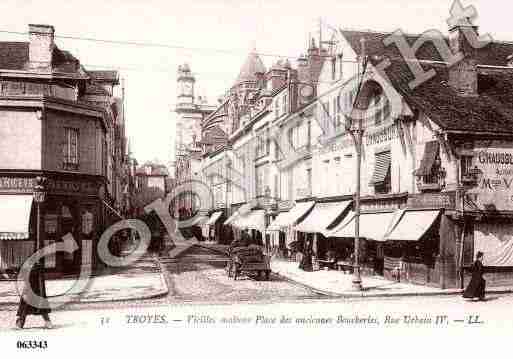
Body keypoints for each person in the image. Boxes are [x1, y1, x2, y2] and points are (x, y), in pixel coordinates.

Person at [15, 263, 53, 329]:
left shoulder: (31, 271)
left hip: (32, 292)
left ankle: (20, 324)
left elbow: (28, 284)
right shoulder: (38, 270)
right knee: (41, 308)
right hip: (38, 292)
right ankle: (48, 322)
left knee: (25, 307)